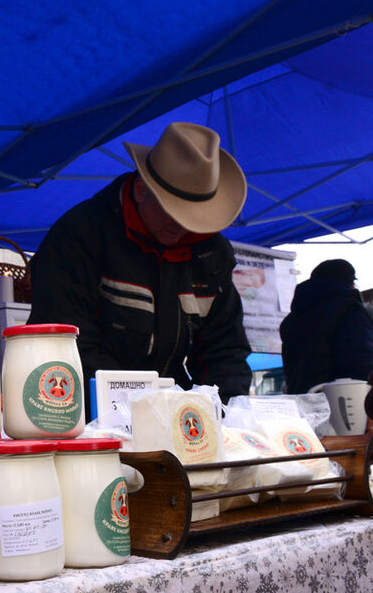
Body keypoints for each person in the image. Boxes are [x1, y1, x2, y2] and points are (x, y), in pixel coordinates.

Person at [28, 122, 252, 403]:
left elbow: (225, 351)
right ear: (142, 190)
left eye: (193, 217)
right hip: (87, 414)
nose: (181, 228)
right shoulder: (81, 234)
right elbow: (65, 346)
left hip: (170, 411)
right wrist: (143, 404)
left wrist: (227, 417)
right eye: (172, 212)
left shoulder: (211, 254)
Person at [279, 259, 373, 394]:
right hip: (342, 402)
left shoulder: (291, 320)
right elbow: (362, 361)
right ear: (349, 283)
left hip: (302, 399)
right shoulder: (348, 310)